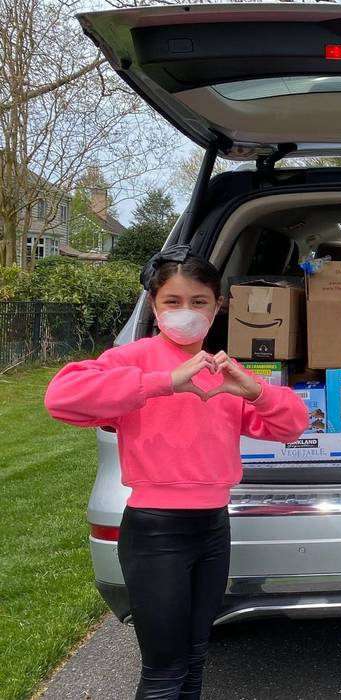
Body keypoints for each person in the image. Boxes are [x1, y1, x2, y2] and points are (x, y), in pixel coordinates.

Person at [44, 245, 308, 700]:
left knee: (194, 656)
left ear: (218, 305)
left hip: (212, 528)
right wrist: (163, 383)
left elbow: (293, 425)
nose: (186, 312)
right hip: (155, 532)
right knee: (164, 669)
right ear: (154, 304)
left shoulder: (223, 371)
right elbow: (61, 398)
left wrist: (256, 392)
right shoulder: (133, 359)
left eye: (199, 302)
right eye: (173, 301)